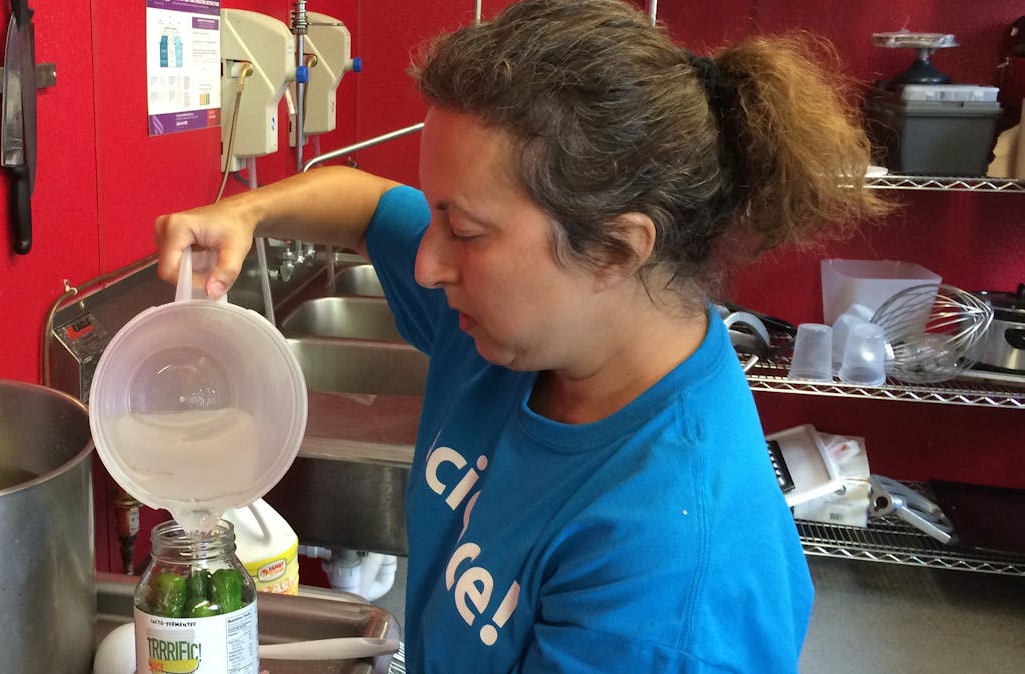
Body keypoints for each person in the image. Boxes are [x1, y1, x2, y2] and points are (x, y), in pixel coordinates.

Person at [156, 0, 888, 671]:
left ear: (615, 250)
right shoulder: (524, 329)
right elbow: (369, 204)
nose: (428, 263)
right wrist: (247, 213)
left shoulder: (669, 582)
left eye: (465, 231)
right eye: (440, 217)